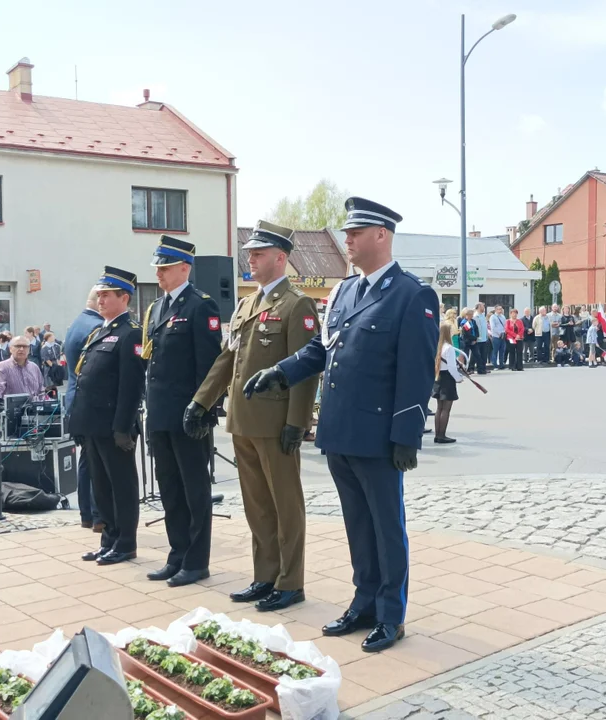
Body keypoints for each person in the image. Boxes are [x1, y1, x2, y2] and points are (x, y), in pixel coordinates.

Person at [241, 198, 439, 652]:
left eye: (356, 232)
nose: (346, 239)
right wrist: (280, 371)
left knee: (387, 529)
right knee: (357, 525)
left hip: (379, 437)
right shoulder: (345, 292)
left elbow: (415, 373)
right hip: (340, 432)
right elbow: (321, 351)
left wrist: (407, 434)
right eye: (347, 232)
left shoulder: (412, 295)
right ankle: (363, 602)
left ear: (381, 235)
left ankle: (391, 615)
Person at [185, 220, 319, 612]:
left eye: (258, 254)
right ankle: (265, 576)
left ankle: (290, 581)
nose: (251, 259)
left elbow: (306, 368)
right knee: (257, 504)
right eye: (250, 254)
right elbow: (228, 359)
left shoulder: (297, 305)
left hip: (276, 424)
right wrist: (201, 401)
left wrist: (298, 421)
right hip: (242, 421)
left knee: (285, 504)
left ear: (281, 258)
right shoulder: (247, 304)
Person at [143, 236, 222, 587]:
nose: (159, 273)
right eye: (157, 268)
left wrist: (205, 410)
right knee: (170, 489)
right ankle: (176, 555)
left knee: (194, 490)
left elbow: (209, 366)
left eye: (165, 267)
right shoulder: (157, 307)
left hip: (188, 416)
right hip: (161, 414)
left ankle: (196, 561)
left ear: (184, 268)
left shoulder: (200, 306)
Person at [69, 266, 146, 566]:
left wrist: (123, 426)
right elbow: (84, 379)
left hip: (114, 426)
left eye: (106, 295)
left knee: (121, 486)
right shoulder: (100, 331)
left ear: (124, 298)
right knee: (100, 486)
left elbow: (131, 385)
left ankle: (126, 542)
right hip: (92, 425)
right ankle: (109, 540)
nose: (100, 300)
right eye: (99, 295)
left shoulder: (131, 333)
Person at [64, 289, 104, 532]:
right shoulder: (96, 326)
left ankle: (87, 514)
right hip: (90, 401)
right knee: (97, 462)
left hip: (75, 400)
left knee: (87, 460)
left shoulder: (77, 323)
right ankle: (99, 515)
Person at [0, 336, 45, 402]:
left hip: (34, 410)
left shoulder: (34, 367)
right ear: (10, 349)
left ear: (29, 349)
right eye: (18, 346)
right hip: (13, 410)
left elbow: (41, 391)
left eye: (25, 346)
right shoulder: (2, 367)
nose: (21, 349)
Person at [432, 322, 463, 444]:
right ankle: (442, 435)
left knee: (439, 408)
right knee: (446, 409)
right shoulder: (449, 348)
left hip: (438, 376)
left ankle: (437, 434)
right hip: (447, 378)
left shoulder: (438, 345)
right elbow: (451, 367)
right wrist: (458, 378)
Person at [40, 331, 63, 398]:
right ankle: (48, 397)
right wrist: (53, 367)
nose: (54, 337)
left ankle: (54, 397)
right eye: (52, 336)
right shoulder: (44, 347)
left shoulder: (56, 346)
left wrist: (59, 366)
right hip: (49, 366)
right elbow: (46, 359)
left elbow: (58, 357)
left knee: (54, 383)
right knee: (49, 384)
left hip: (55, 364)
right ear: (48, 338)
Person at [459, 308, 479, 373]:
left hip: (474, 340)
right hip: (467, 341)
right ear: (466, 315)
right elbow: (467, 334)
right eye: (471, 314)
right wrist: (473, 339)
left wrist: (476, 338)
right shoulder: (464, 322)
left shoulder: (473, 321)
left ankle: (479, 369)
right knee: (466, 355)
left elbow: (476, 330)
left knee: (477, 354)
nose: (472, 316)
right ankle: (466, 369)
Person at [473, 302, 489, 374]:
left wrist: (487, 335)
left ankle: (483, 368)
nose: (484, 308)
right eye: (483, 306)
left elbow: (484, 327)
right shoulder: (475, 316)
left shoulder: (483, 315)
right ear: (479, 307)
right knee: (477, 355)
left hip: (484, 339)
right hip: (478, 339)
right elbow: (476, 328)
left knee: (484, 355)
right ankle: (479, 369)